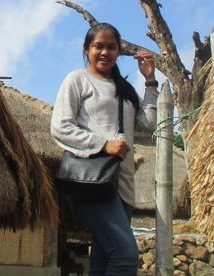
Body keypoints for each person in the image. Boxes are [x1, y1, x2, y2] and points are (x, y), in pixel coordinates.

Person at [51, 22, 158, 275]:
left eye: (111, 47)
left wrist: (150, 81)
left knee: (103, 259)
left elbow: (148, 124)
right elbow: (60, 127)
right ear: (86, 49)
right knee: (124, 256)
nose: (105, 52)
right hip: (93, 183)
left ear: (118, 52)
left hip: (123, 187)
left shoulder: (125, 89)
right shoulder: (77, 80)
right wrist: (103, 144)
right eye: (98, 46)